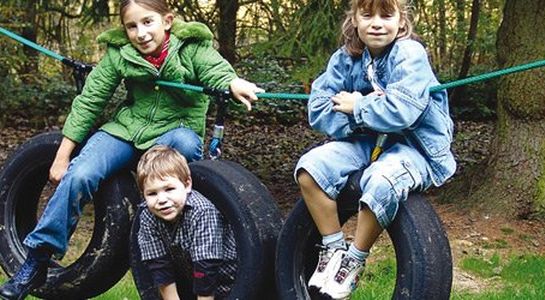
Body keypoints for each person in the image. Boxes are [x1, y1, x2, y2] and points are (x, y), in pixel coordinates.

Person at [0, 0, 262, 298]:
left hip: (175, 130)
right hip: (126, 130)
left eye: (147, 22)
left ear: (167, 21)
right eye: (132, 26)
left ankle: (174, 244)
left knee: (186, 146)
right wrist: (62, 157)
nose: (140, 33)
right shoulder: (120, 53)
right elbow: (89, 101)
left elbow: (214, 69)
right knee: (80, 174)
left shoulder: (191, 47)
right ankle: (36, 260)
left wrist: (232, 82)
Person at [294, 0, 456, 299]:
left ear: (401, 21)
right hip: (364, 139)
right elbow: (318, 109)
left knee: (380, 180)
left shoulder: (410, 54)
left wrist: (358, 105)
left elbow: (403, 111)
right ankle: (333, 250)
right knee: (310, 170)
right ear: (354, 20)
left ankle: (354, 259)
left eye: (386, 15)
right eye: (367, 15)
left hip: (414, 147)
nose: (377, 23)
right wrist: (359, 118)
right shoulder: (345, 58)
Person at [136, 145, 237, 299]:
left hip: (226, 281)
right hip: (190, 280)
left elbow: (206, 270)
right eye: (152, 193)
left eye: (169, 189)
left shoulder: (202, 211)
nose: (162, 200)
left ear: (187, 184)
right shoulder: (147, 215)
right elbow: (159, 267)